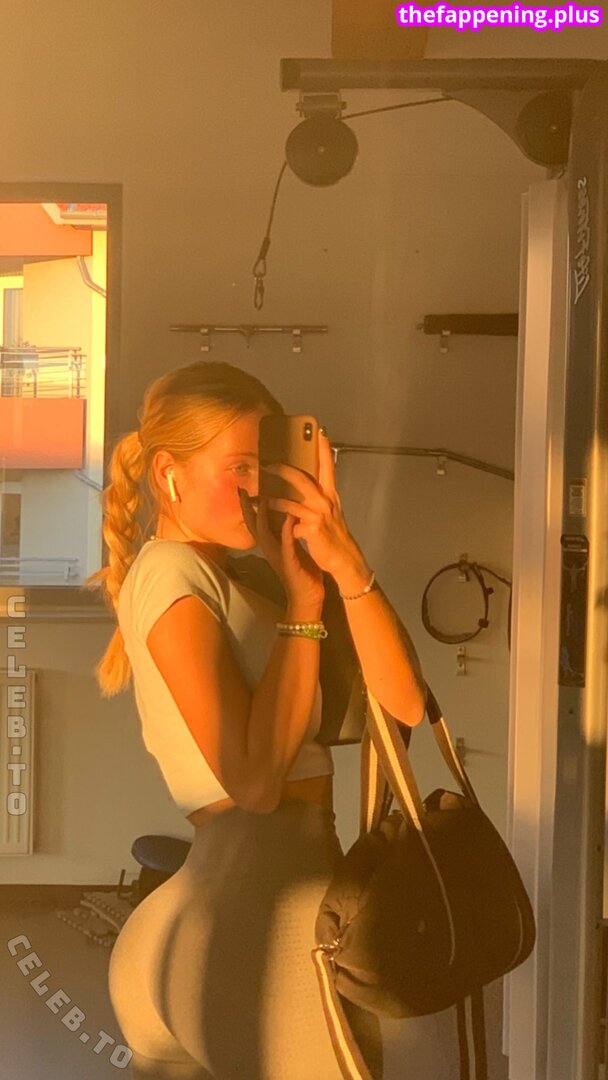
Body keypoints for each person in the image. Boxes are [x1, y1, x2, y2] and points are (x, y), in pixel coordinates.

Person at [86, 360, 426, 1080]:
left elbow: (404, 706)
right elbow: (254, 783)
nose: (254, 488)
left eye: (265, 468)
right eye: (237, 467)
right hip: (267, 909)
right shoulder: (171, 570)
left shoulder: (252, 578)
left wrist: (341, 560)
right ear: (170, 476)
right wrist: (303, 610)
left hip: (214, 914)